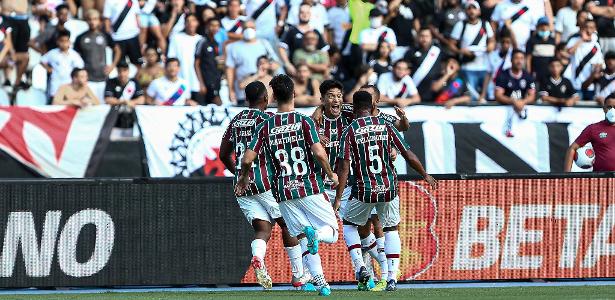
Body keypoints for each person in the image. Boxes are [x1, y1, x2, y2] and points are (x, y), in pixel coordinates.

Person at [235, 74, 340, 296]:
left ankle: (322, 284)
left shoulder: (266, 125)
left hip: (282, 192)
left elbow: (246, 159)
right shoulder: (304, 121)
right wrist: (331, 174)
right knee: (331, 232)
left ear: (273, 96)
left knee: (302, 235)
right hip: (309, 185)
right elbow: (319, 152)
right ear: (294, 94)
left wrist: (244, 177)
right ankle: (316, 239)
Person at [336, 90, 437, 292]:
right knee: (391, 229)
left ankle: (360, 266)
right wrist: (424, 174)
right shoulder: (386, 126)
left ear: (354, 109)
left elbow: (344, 167)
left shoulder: (350, 130)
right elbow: (408, 154)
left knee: (349, 225)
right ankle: (391, 278)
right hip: (389, 187)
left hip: (364, 189)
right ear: (373, 107)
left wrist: (339, 196)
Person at [219, 81, 311, 291]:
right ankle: (298, 276)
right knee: (289, 225)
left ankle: (258, 258)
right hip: (265, 181)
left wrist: (238, 174)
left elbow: (223, 154)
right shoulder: (267, 120)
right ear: (265, 99)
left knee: (263, 229)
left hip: (242, 186)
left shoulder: (236, 120)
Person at [450, 0, 495, 103]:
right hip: (468, 67)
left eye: (474, 8)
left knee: (487, 97)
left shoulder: (485, 24)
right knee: (471, 97)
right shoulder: (460, 25)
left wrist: (490, 47)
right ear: (465, 11)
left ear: (478, 11)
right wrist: (461, 51)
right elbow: (451, 44)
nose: (471, 11)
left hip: (484, 66)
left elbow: (492, 41)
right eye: (469, 8)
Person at [226, 20, 280, 104]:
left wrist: (270, 66)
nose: (249, 30)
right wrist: (230, 90)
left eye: (251, 27)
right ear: (242, 30)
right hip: (243, 93)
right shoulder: (233, 47)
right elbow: (230, 70)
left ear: (256, 29)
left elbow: (276, 63)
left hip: (264, 93)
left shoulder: (264, 44)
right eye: (246, 28)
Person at [75, 9, 122, 105]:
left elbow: (117, 50)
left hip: (103, 78)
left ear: (99, 20)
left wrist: (112, 66)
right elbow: (75, 57)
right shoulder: (81, 38)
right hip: (88, 80)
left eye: (95, 19)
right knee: (89, 106)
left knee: (103, 106)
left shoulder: (105, 35)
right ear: (86, 21)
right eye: (90, 19)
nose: (92, 22)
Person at [565, 94, 615, 172]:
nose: (612, 110)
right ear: (604, 108)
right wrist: (566, 177)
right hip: (601, 179)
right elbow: (572, 149)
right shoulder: (593, 129)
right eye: (609, 107)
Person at [495, 49, 536, 137]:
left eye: (521, 58)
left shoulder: (527, 76)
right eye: (516, 58)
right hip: (505, 111)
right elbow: (498, 95)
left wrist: (523, 102)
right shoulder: (503, 75)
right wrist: (513, 101)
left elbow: (532, 96)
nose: (519, 61)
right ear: (511, 60)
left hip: (521, 110)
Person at [279, 3, 328, 76]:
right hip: (296, 71)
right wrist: (288, 64)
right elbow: (281, 48)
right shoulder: (291, 31)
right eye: (302, 12)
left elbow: (324, 51)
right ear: (298, 14)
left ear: (310, 14)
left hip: (315, 72)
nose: (305, 15)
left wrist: (326, 68)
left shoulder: (315, 32)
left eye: (307, 12)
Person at [167, 13, 203, 104]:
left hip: (197, 83)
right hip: (179, 83)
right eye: (188, 21)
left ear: (197, 23)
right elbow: (171, 58)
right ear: (184, 24)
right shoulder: (176, 38)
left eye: (193, 20)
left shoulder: (201, 40)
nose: (190, 23)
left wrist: (202, 83)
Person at [566, 19, 605, 100]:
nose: (588, 30)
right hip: (574, 84)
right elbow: (569, 52)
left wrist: (597, 68)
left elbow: (600, 63)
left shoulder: (596, 45)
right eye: (586, 27)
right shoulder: (574, 40)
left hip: (590, 84)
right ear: (582, 28)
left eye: (591, 27)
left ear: (595, 29)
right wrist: (581, 40)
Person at [40, 30, 85, 100]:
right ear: (58, 42)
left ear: (69, 42)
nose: (64, 43)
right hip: (56, 85)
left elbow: (80, 67)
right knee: (55, 104)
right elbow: (42, 61)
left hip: (69, 85)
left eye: (66, 41)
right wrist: (48, 69)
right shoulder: (52, 53)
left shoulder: (74, 55)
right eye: (62, 41)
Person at [405, 28, 444, 103]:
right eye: (422, 36)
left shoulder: (438, 51)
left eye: (427, 36)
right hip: (415, 90)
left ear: (431, 38)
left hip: (433, 91)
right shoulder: (411, 52)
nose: (424, 39)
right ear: (418, 37)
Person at [104, 0, 143, 68]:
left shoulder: (133, 1)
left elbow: (137, 17)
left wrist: (141, 38)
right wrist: (110, 38)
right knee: (119, 66)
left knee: (138, 63)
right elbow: (107, 20)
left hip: (133, 37)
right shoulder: (109, 1)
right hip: (117, 38)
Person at [194, 18, 223, 106]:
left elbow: (218, 63)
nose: (215, 28)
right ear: (207, 26)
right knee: (217, 103)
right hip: (206, 82)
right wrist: (201, 83)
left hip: (216, 81)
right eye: (212, 25)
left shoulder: (217, 43)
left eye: (217, 26)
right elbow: (196, 64)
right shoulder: (202, 42)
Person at [2, 0, 30, 90]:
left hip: (23, 18)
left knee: (23, 52)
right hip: (7, 16)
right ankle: (7, 79)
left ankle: (18, 81)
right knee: (8, 51)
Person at [526, 16, 556, 85]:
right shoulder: (532, 40)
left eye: (546, 25)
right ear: (537, 27)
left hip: (550, 75)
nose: (544, 28)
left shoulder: (552, 40)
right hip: (536, 74)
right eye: (541, 26)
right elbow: (528, 58)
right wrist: (529, 74)